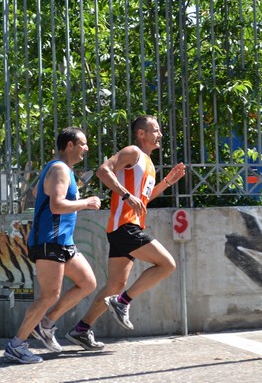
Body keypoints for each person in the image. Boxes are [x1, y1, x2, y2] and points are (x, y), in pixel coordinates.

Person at [66, 115, 185, 347]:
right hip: (125, 227)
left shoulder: (149, 165)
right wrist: (126, 195)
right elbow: (103, 171)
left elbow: (144, 199)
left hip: (124, 228)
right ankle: (123, 302)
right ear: (142, 134)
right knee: (167, 264)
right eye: (156, 130)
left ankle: (82, 329)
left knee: (115, 285)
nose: (160, 134)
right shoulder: (133, 152)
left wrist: (167, 182)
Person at [3, 127, 102, 364]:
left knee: (88, 283)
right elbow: (57, 205)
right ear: (70, 145)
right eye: (83, 144)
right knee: (48, 296)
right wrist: (85, 202)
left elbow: (39, 192)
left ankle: (46, 324)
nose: (86, 149)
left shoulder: (57, 169)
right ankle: (17, 345)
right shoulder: (59, 169)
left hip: (62, 241)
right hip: (50, 240)